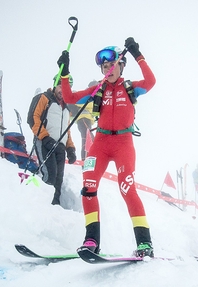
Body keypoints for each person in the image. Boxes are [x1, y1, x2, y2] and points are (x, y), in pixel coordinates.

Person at [57, 37, 156, 257]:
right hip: (100, 143)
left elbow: (151, 81)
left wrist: (137, 54)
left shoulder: (130, 88)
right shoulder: (97, 90)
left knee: (127, 189)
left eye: (111, 65)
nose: (108, 69)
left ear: (121, 65)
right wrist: (64, 73)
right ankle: (91, 240)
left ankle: (144, 243)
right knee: (88, 188)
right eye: (104, 66)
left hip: (123, 143)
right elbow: (69, 97)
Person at [31, 75, 77, 205]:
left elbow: (67, 130)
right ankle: (42, 205)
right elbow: (33, 118)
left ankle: (55, 206)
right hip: (45, 142)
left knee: (58, 179)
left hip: (60, 147)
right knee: (50, 176)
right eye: (61, 86)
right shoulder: (45, 98)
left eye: (67, 87)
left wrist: (71, 148)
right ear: (55, 84)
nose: (63, 90)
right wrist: (45, 138)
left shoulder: (66, 108)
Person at [67, 80, 97, 161]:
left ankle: (90, 159)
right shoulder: (87, 96)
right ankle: (84, 160)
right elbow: (76, 101)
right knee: (87, 137)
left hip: (87, 120)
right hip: (83, 119)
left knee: (91, 139)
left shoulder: (95, 98)